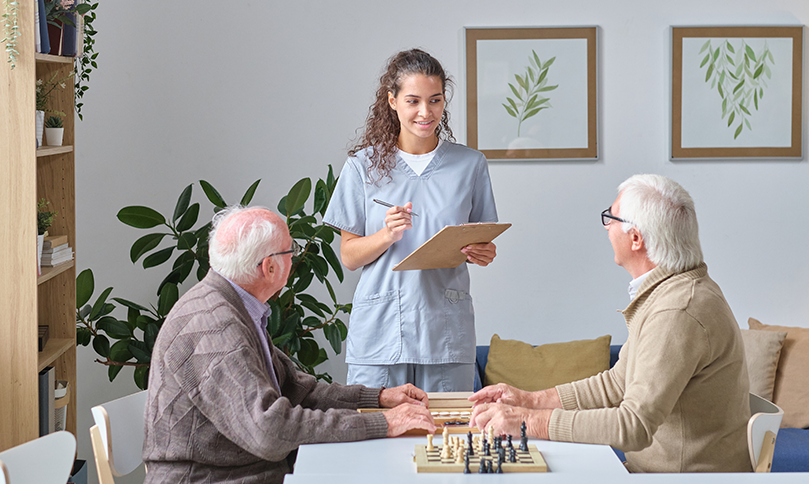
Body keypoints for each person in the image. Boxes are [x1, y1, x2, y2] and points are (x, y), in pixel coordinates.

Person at [469, 174, 752, 473]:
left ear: (636, 239)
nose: (606, 227)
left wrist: (526, 421)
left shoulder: (678, 311)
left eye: (611, 218)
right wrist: (529, 400)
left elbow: (633, 426)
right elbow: (617, 383)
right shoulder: (672, 292)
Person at [143, 206, 435, 484]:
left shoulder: (234, 306)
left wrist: (378, 399)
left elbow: (297, 389)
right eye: (290, 250)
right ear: (269, 268)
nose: (294, 258)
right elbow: (268, 431)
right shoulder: (216, 326)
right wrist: (383, 424)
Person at [323, 48, 498, 392]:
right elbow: (349, 256)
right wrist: (385, 236)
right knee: (375, 439)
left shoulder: (470, 165)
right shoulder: (362, 166)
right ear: (392, 101)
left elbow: (484, 243)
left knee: (450, 439)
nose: (425, 112)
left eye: (435, 100)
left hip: (445, 333)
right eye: (413, 101)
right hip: (380, 334)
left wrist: (484, 253)